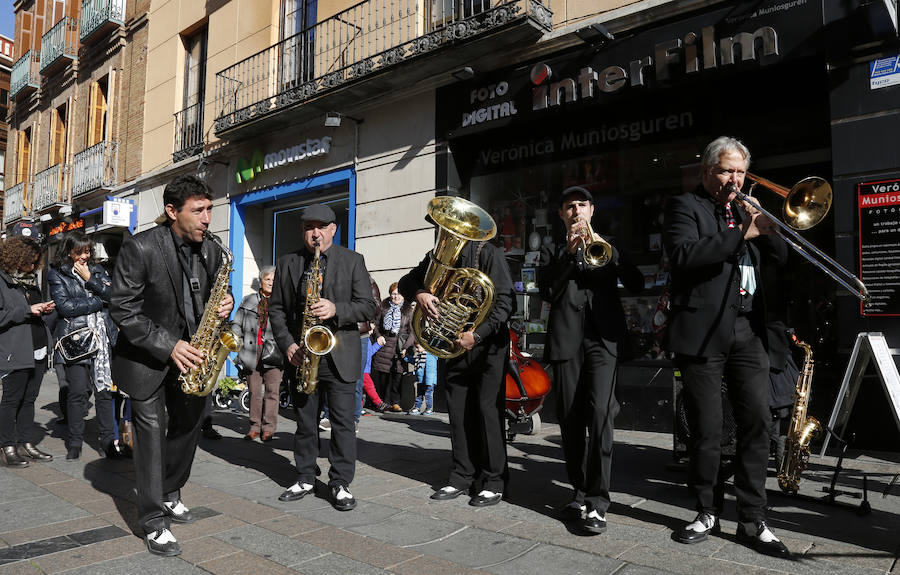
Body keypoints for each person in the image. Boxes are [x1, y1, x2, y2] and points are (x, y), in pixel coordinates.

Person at [663, 136, 789, 557]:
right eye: (725, 171)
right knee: (708, 428)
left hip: (748, 330)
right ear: (706, 171)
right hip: (703, 331)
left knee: (757, 422)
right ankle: (706, 510)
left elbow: (780, 257)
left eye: (739, 171)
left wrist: (764, 228)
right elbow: (683, 254)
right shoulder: (686, 207)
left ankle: (752, 519)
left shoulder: (747, 208)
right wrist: (741, 235)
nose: (734, 179)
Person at [110, 175, 234, 556]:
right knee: (150, 433)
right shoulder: (141, 247)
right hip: (146, 359)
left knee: (188, 427)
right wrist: (169, 345)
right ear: (171, 211)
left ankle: (170, 489)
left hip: (193, 356)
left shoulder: (212, 250)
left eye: (209, 209)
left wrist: (225, 302)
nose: (207, 218)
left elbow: (215, 293)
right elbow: (123, 309)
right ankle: (152, 521)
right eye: (198, 211)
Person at [538, 186, 643, 534]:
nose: (576, 212)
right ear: (561, 214)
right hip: (567, 342)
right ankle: (579, 491)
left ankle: (598, 501)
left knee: (600, 414)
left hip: (603, 340)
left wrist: (610, 253)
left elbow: (637, 281)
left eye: (582, 205)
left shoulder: (608, 244)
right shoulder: (552, 252)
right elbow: (547, 292)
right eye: (569, 207)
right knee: (570, 418)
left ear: (592, 210)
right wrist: (568, 258)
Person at [399, 214, 515, 507]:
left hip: (486, 346)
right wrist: (422, 293)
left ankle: (494, 480)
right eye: (441, 228)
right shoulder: (437, 257)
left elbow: (505, 303)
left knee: (488, 411)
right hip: (453, 344)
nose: (443, 233)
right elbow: (405, 282)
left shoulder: (489, 253)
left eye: (449, 228)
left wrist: (477, 334)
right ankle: (462, 476)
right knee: (458, 411)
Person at [268, 204, 377, 511]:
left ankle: (340, 482)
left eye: (320, 227)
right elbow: (276, 309)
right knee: (305, 422)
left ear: (333, 229)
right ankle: (304, 475)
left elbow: (368, 307)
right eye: (308, 227)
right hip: (302, 355)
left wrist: (336, 309)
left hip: (340, 354)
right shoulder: (288, 262)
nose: (314, 233)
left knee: (343, 423)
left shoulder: (353, 261)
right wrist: (288, 344)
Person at [49, 232, 122, 461]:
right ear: (69, 252)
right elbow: (65, 307)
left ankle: (108, 441)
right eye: (79, 251)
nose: (84, 256)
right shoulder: (57, 274)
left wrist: (90, 279)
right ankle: (75, 442)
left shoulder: (98, 271)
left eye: (87, 251)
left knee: (104, 393)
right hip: (76, 339)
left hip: (102, 339)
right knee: (77, 393)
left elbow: (114, 295)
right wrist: (98, 302)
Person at [0, 236, 55, 467]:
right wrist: (26, 311)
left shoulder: (29, 281)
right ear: (16, 257)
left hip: (38, 348)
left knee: (29, 399)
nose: (33, 267)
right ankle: (7, 446)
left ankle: (25, 442)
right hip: (14, 349)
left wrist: (42, 309)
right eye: (30, 262)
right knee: (11, 400)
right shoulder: (2, 281)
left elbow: (30, 309)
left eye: (35, 263)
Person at [232, 265, 283, 442]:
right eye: (267, 279)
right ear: (260, 281)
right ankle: (254, 426)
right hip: (251, 350)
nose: (270, 282)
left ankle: (268, 428)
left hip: (275, 351)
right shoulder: (248, 300)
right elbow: (237, 324)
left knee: (272, 391)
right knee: (254, 391)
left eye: (273, 280)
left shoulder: (282, 302)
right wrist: (235, 340)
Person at [371, 283, 416, 412]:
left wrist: (406, 347)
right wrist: (378, 336)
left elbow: (413, 331)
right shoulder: (383, 307)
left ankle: (395, 402)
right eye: (393, 293)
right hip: (385, 345)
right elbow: (375, 324)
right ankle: (384, 402)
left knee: (397, 376)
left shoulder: (409, 309)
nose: (396, 296)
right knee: (383, 376)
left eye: (398, 293)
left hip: (399, 347)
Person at [408, 344, 437, 416]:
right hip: (421, 380)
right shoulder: (420, 356)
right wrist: (407, 358)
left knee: (428, 395)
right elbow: (415, 361)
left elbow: (430, 370)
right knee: (419, 394)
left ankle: (429, 409)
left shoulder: (429, 356)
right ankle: (417, 408)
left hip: (428, 381)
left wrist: (428, 381)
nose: (417, 350)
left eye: (418, 347)